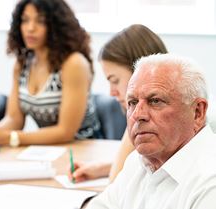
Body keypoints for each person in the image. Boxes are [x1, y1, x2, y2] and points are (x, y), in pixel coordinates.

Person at [86, 53, 216, 209]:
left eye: (155, 101)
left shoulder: (213, 180)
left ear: (197, 112)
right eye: (132, 102)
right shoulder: (139, 161)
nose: (137, 114)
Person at [0, 0, 101, 146]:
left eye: (40, 21)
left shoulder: (74, 63)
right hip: (45, 150)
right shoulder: (22, 63)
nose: (30, 28)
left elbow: (65, 132)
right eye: (25, 20)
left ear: (57, 26)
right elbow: (14, 119)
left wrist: (9, 138)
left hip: (81, 148)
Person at [70, 24, 168, 183]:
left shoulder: (156, 113)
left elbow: (115, 183)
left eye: (115, 81)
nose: (112, 92)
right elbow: (148, 161)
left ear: (139, 73)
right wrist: (101, 168)